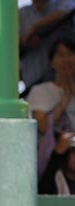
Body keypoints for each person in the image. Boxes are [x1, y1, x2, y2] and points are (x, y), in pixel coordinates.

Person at [27, 37, 75, 175]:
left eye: (70, 54)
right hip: (51, 165)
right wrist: (65, 96)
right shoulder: (40, 91)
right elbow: (43, 126)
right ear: (52, 62)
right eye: (60, 55)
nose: (66, 59)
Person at [20, 0, 75, 90]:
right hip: (34, 79)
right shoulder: (21, 14)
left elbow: (67, 11)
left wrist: (36, 26)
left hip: (66, 83)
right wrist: (26, 40)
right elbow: (10, 40)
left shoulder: (62, 3)